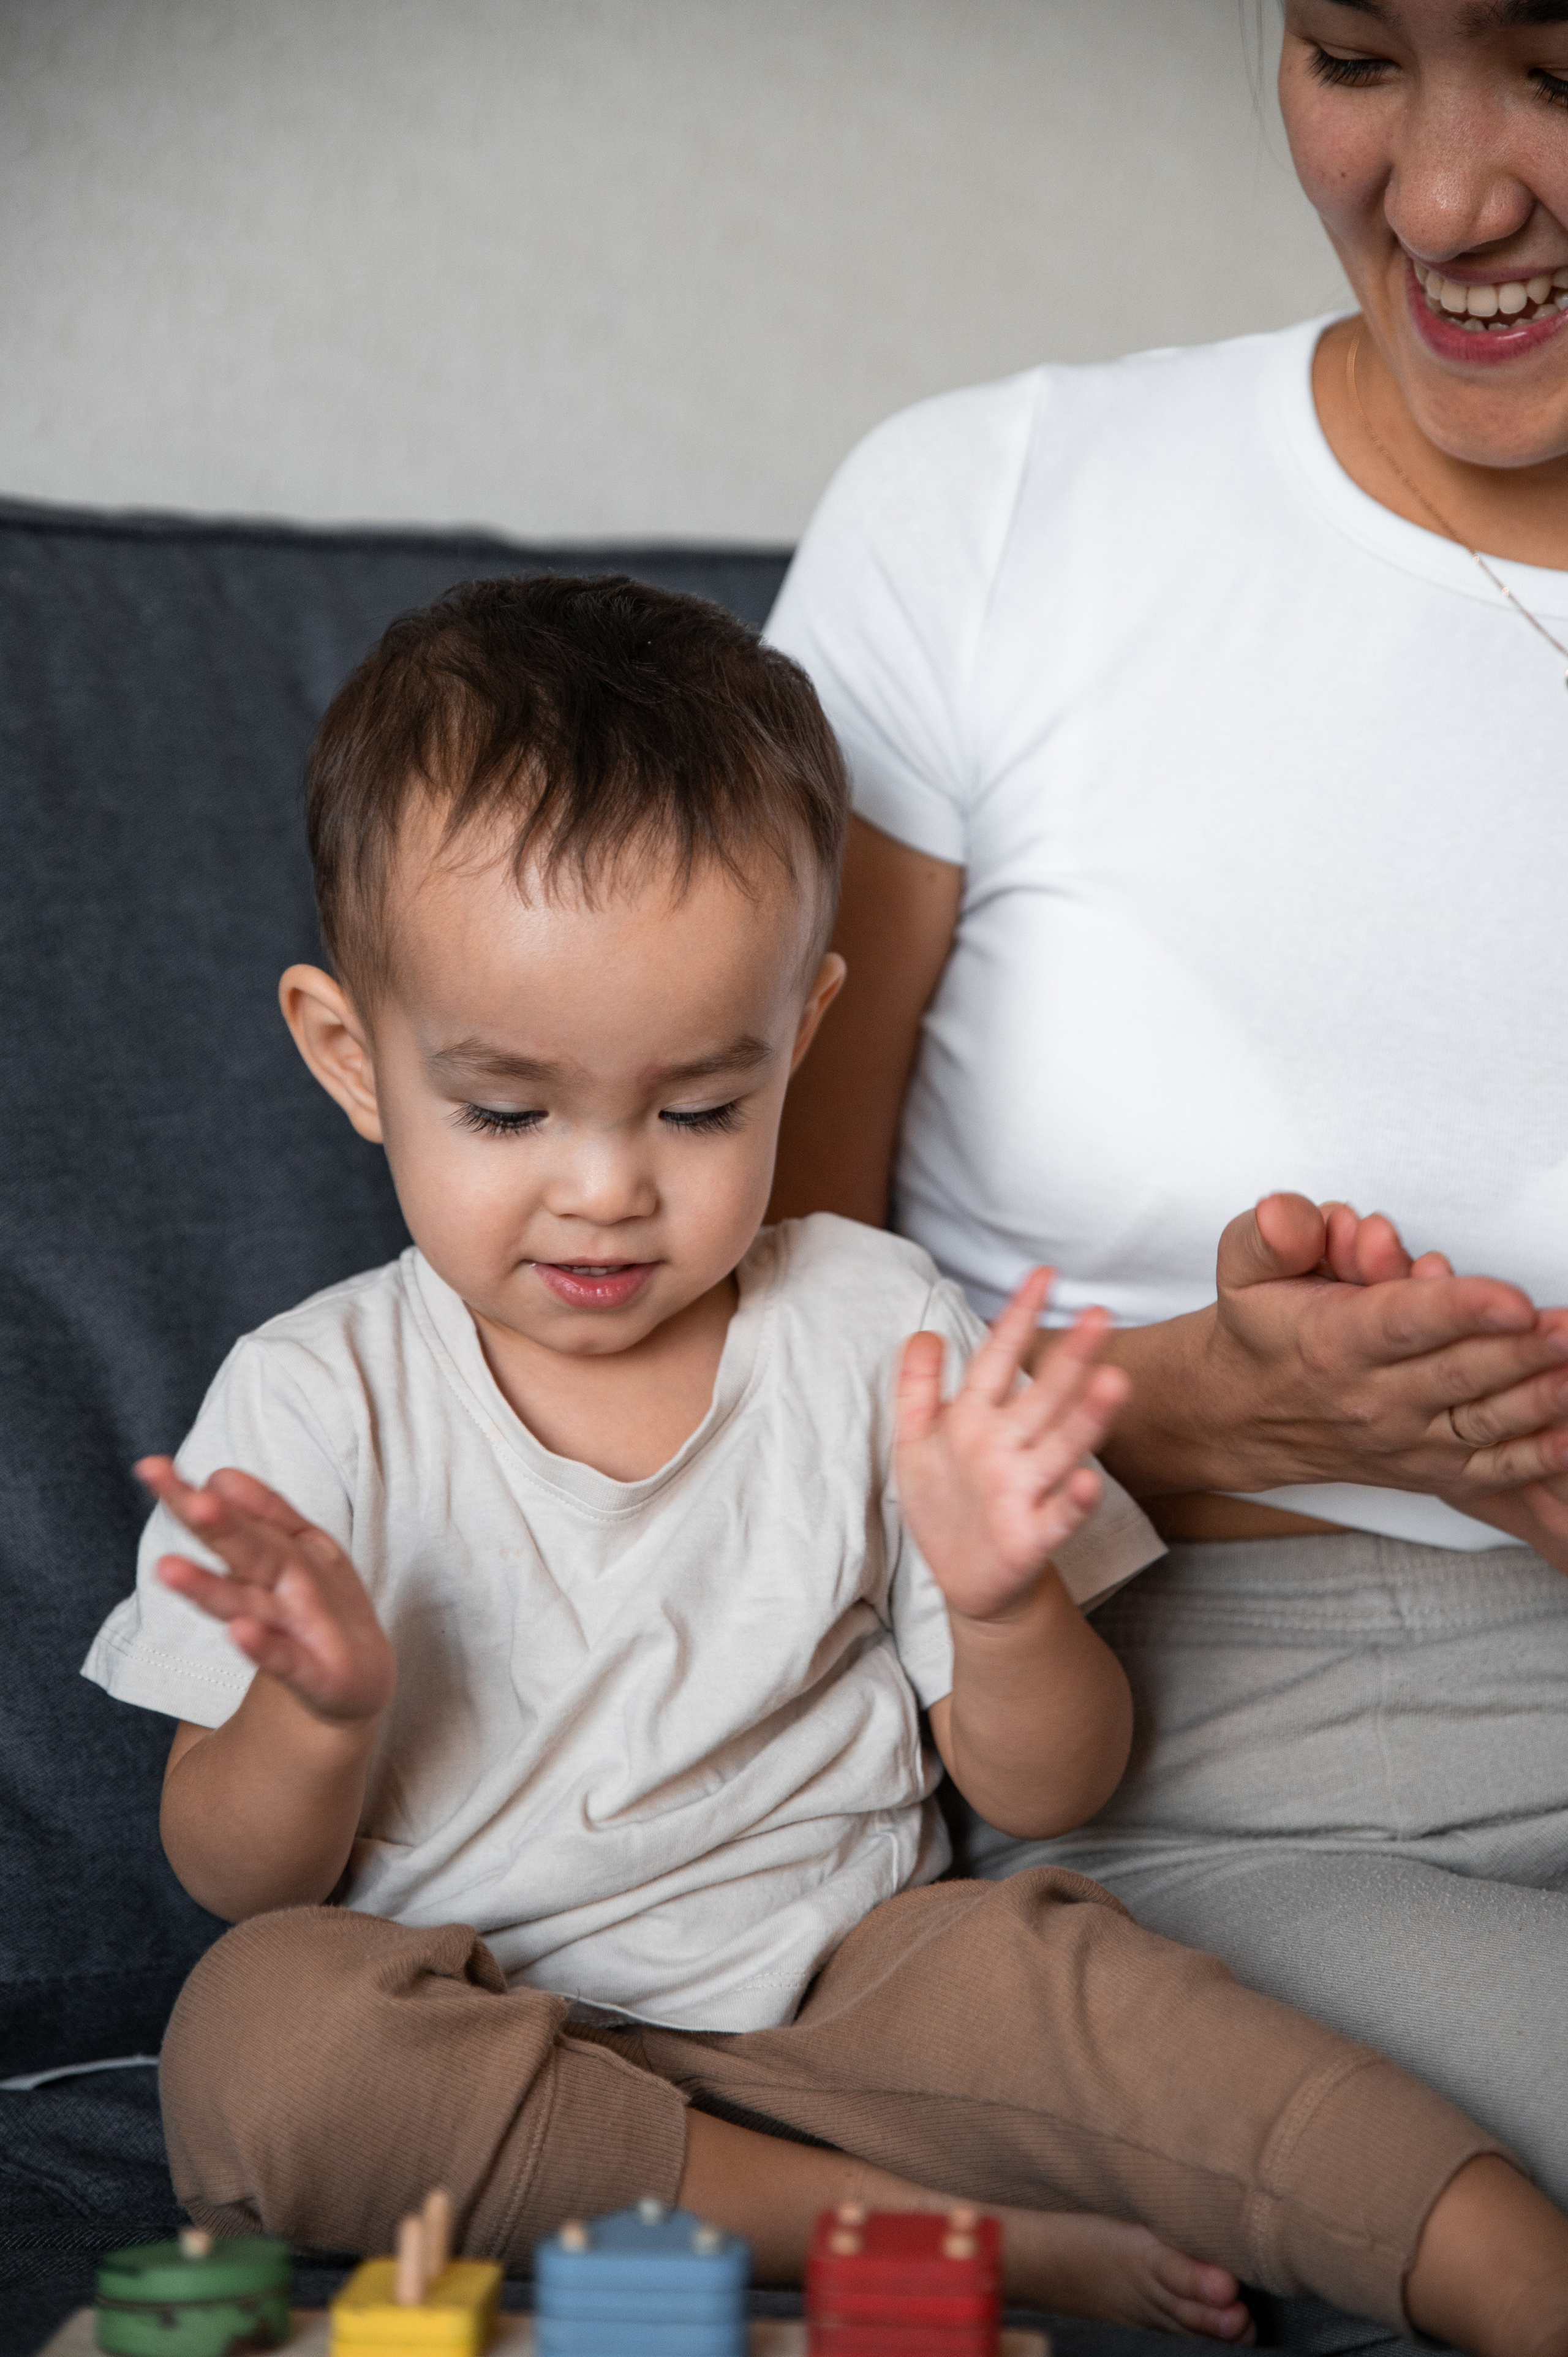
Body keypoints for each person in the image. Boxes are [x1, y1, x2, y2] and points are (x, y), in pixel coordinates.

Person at [81, 577, 1568, 2355]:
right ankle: (953, 2239)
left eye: (698, 1108)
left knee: (1130, 2002)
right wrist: (313, 1720)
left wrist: (1007, 1603)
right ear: (351, 1058)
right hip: (479, 2030)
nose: (608, 1187)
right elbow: (231, 1874)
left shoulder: (883, 1332)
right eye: (507, 1111)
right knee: (261, 2037)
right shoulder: (314, 1396)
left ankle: (1496, 2263)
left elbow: (1066, 1776)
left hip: (864, 1986)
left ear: (802, 1033)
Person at [764, 0, 1568, 2214]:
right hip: (1201, 1751)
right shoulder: (997, 510)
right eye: (1352, 53)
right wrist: (1206, 1405)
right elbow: (706, 1362)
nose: (1442, 200)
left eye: (1560, 73)